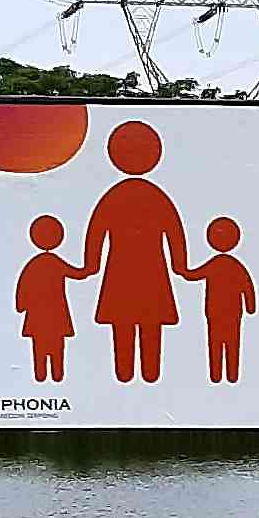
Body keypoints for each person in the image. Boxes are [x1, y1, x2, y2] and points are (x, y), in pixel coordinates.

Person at [83, 120, 187, 384]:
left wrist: (90, 265)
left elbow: (96, 234)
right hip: (150, 273)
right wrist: (180, 266)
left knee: (125, 324)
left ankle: (126, 373)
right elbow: (175, 234)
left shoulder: (113, 196)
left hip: (122, 273)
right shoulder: (157, 196)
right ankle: (149, 373)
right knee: (147, 324)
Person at [179, 215, 255, 383]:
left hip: (217, 312)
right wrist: (250, 306)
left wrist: (183, 271)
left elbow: (194, 275)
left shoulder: (217, 264)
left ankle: (218, 375)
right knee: (231, 342)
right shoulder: (234, 265)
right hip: (227, 312)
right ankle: (229, 375)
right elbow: (247, 287)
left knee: (217, 342)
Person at [13, 214, 87, 383]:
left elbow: (23, 285)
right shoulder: (54, 262)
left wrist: (21, 305)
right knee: (55, 346)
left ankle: (44, 374)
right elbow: (76, 273)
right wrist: (88, 269)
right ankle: (55, 374)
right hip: (55, 314)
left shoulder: (35, 263)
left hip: (39, 315)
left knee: (41, 346)